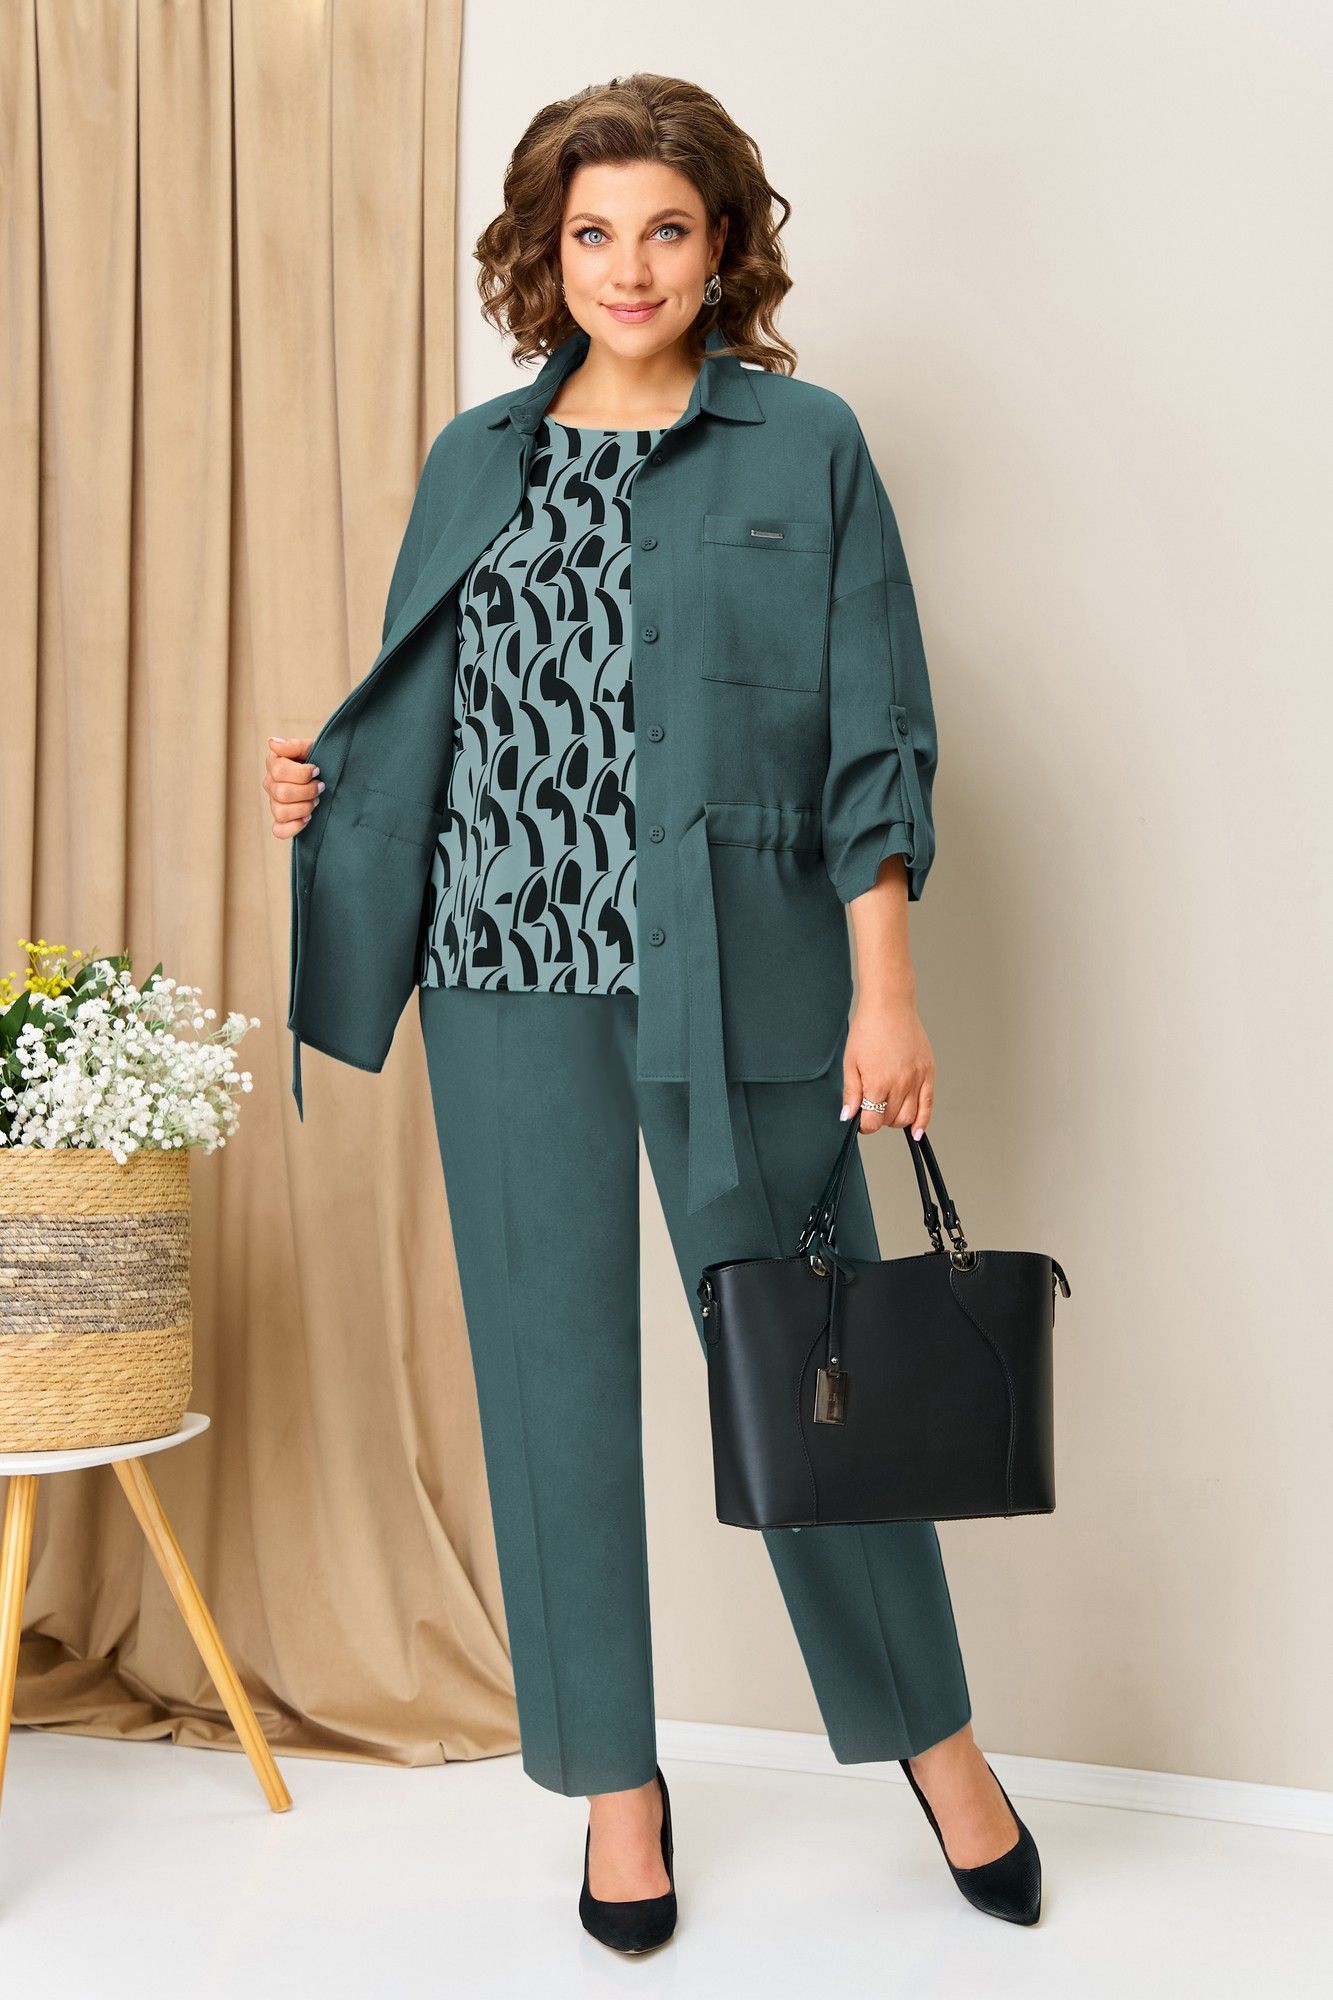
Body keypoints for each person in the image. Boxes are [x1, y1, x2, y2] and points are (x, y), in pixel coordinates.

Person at [264, 72, 1042, 1948]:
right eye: (590, 232)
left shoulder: (805, 443)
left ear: (722, 247)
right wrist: (327, 787)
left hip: (747, 976)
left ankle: (936, 1747)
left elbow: (875, 732)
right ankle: (616, 1788)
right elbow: (431, 701)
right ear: (543, 253)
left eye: (665, 231)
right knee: (545, 1393)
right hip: (499, 969)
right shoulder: (475, 456)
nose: (627, 268)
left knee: (809, 1372)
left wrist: (884, 996)